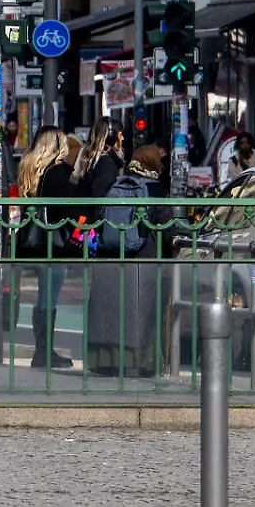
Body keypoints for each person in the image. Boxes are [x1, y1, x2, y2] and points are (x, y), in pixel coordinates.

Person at [87, 142, 165, 377]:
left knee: (108, 312)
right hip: (142, 259)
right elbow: (166, 225)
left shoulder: (115, 184)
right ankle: (141, 364)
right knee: (141, 312)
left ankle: (104, 362)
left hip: (109, 256)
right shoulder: (156, 189)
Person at [18, 126, 74, 369]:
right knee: (49, 297)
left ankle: (41, 350)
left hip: (32, 241)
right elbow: (67, 207)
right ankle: (43, 352)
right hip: (53, 242)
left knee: (42, 299)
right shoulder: (59, 171)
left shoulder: (28, 167)